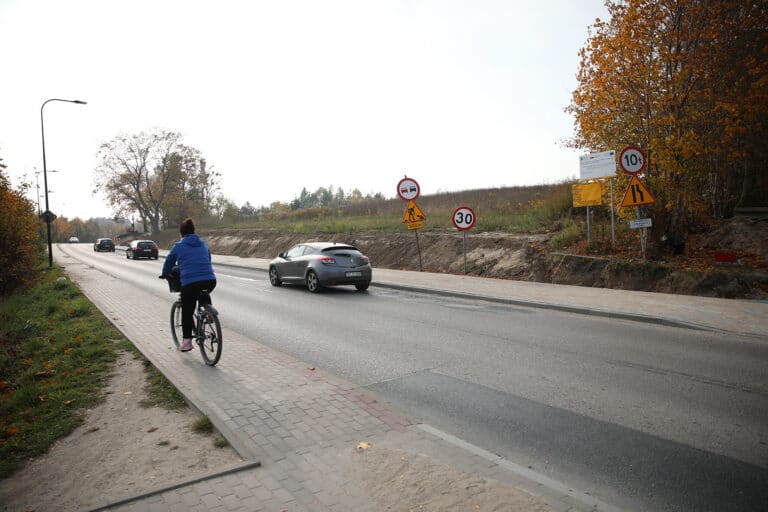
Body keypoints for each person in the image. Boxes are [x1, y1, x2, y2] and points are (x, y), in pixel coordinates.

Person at [161, 218, 217, 352]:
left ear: (181, 234)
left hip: (190, 283)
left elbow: (169, 262)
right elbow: (208, 259)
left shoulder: (179, 246)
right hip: (210, 280)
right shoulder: (203, 243)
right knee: (203, 291)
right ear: (193, 231)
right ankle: (208, 311)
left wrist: (164, 274)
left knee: (187, 311)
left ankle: (187, 343)